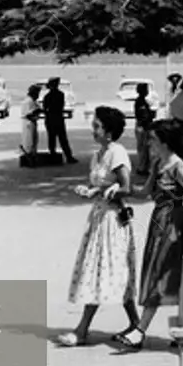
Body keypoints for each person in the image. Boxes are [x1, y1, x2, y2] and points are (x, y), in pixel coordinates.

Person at [57, 106, 140, 347]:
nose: (93, 130)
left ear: (109, 132)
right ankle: (137, 325)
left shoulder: (117, 153)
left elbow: (126, 188)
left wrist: (103, 191)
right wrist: (90, 191)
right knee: (106, 271)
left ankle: (82, 329)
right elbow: (99, 186)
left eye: (97, 127)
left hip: (113, 220)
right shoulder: (98, 155)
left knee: (103, 271)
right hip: (98, 218)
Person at [116, 119, 183, 350]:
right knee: (158, 271)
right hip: (159, 221)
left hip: (174, 223)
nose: (149, 142)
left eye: (153, 139)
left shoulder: (178, 167)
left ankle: (141, 330)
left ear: (164, 141)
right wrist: (119, 189)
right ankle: (180, 330)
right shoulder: (157, 163)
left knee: (164, 273)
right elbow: (145, 192)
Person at [43, 78, 77, 164]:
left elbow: (45, 108)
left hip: (50, 119)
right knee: (63, 139)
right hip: (58, 118)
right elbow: (61, 106)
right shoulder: (60, 94)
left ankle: (53, 156)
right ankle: (68, 156)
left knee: (52, 139)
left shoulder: (47, 96)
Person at [133, 82, 156, 176]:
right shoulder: (140, 102)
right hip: (142, 127)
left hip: (143, 126)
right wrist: (151, 114)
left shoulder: (142, 101)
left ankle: (144, 167)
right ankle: (142, 168)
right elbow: (143, 117)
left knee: (145, 149)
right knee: (143, 149)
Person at [20, 85, 41, 164]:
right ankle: (30, 157)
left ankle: (32, 156)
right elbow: (28, 114)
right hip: (29, 122)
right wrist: (37, 110)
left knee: (34, 140)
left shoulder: (33, 101)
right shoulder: (28, 101)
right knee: (30, 141)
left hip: (32, 122)